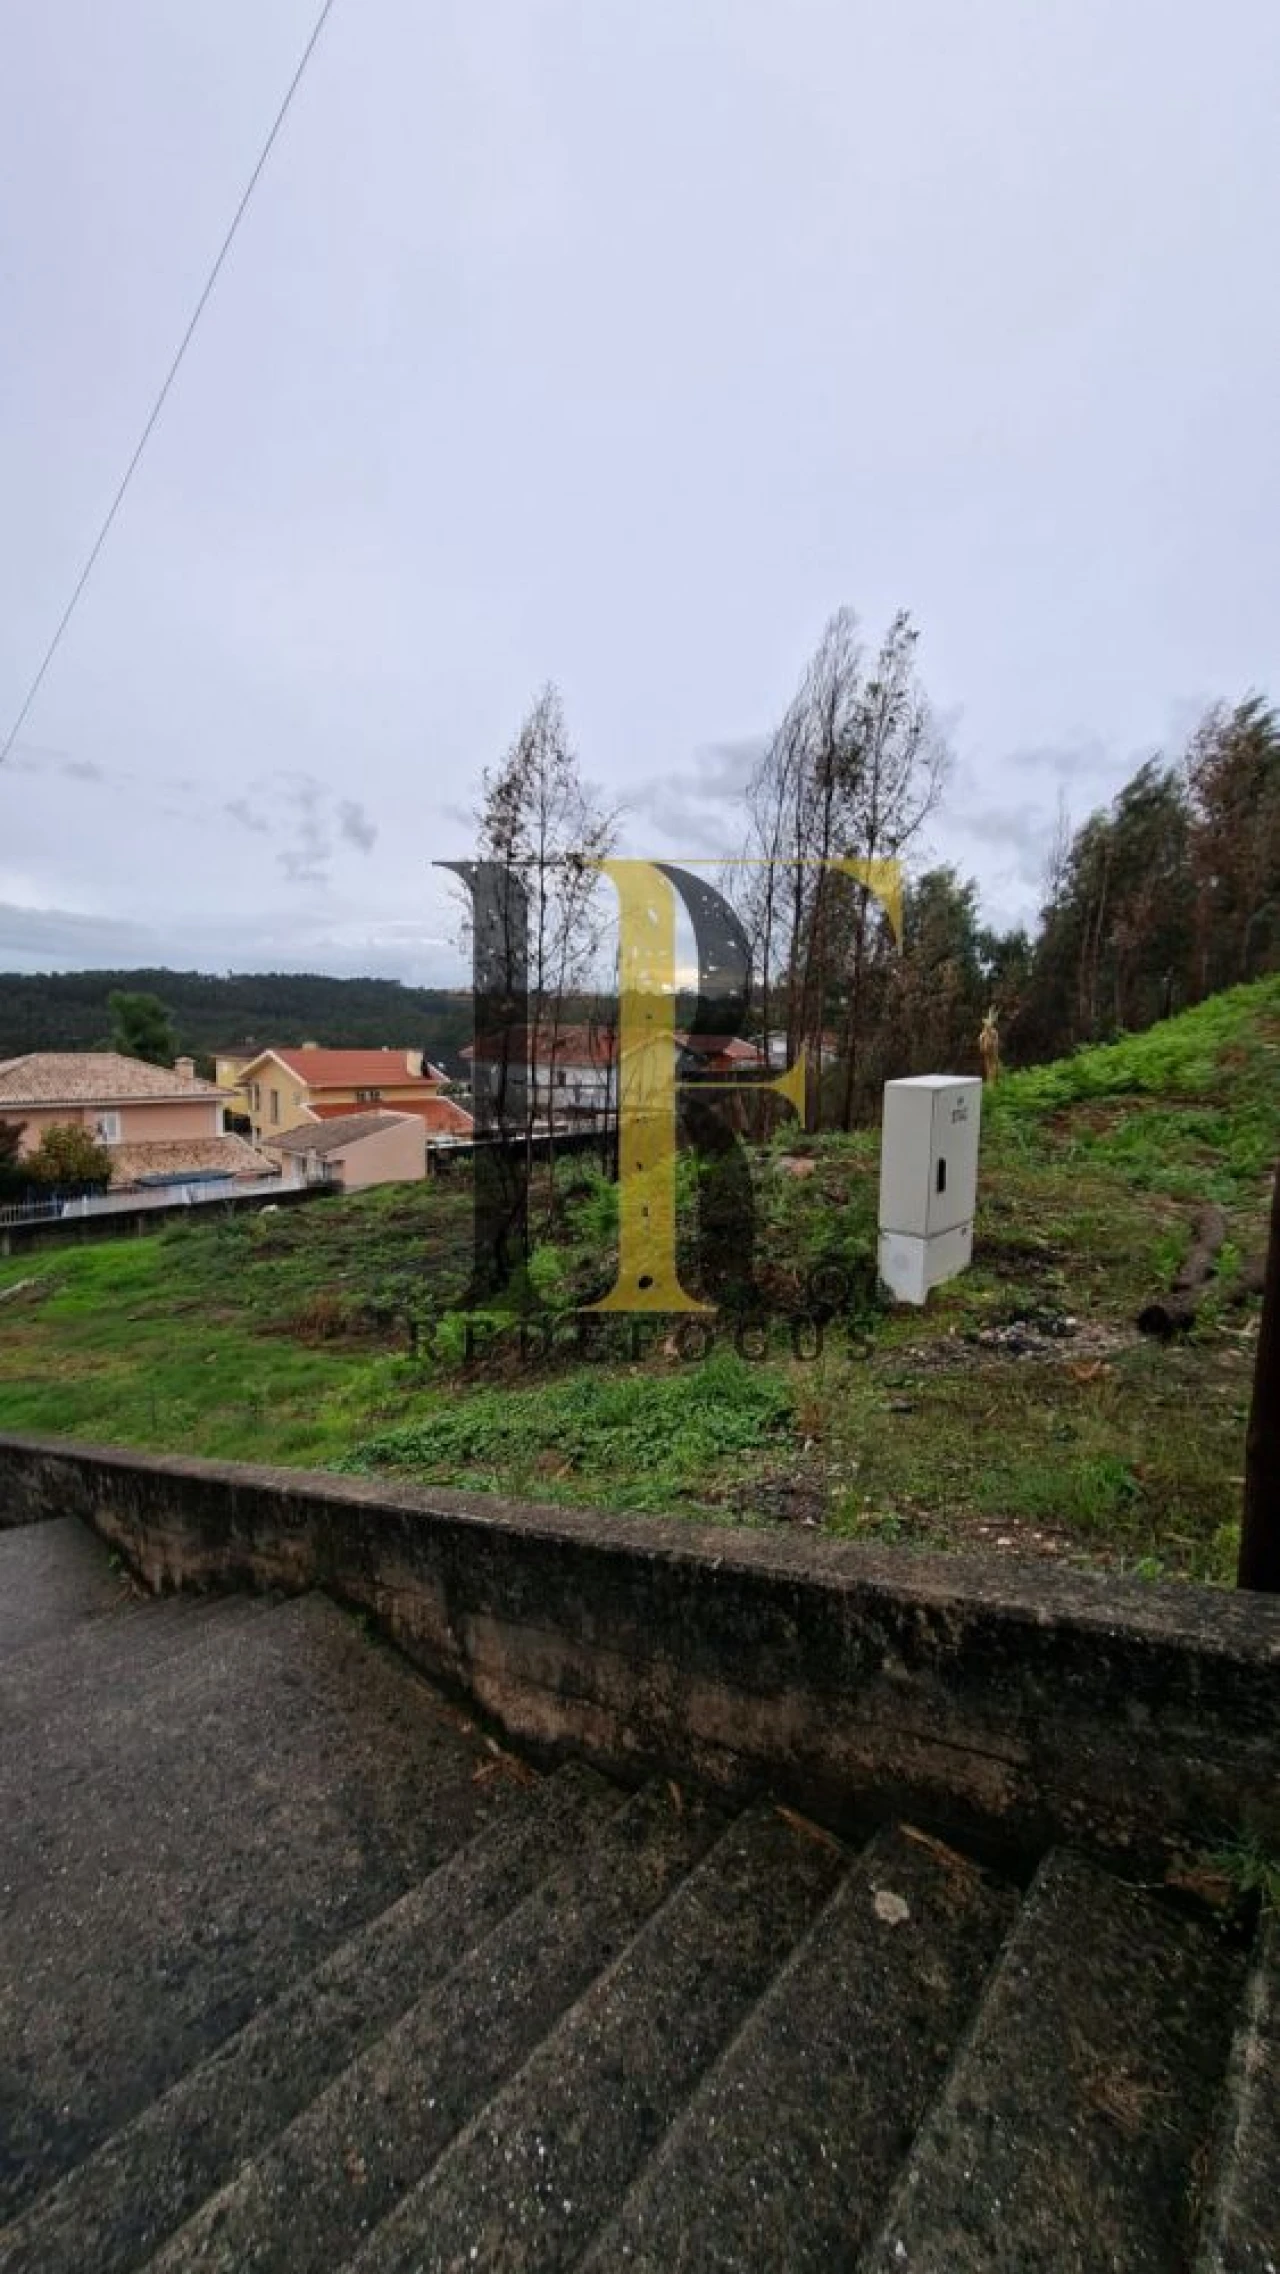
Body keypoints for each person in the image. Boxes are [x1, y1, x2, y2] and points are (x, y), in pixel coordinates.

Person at [978, 1005, 1000, 1084]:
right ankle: (990, 1081)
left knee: (994, 1067)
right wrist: (982, 1045)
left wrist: (994, 1046)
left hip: (993, 1052)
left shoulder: (994, 1032)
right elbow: (980, 1038)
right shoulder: (984, 1033)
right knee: (988, 1067)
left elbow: (996, 1042)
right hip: (986, 1051)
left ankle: (992, 1082)